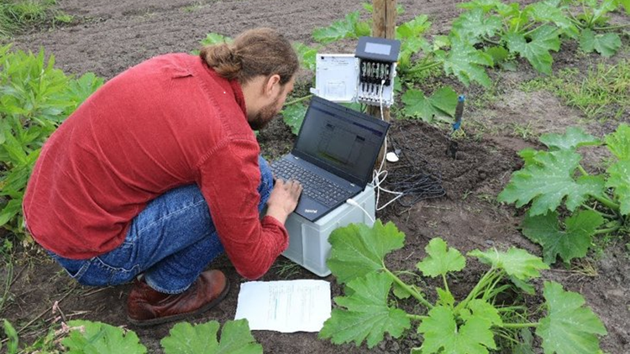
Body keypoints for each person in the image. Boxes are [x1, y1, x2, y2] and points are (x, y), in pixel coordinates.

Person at [22, 27, 303, 326]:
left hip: (45, 209)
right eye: (286, 94)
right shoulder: (228, 141)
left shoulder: (178, 65)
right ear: (272, 84)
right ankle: (163, 293)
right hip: (91, 256)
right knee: (257, 182)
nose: (282, 104)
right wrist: (277, 212)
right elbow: (252, 263)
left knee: (243, 174)